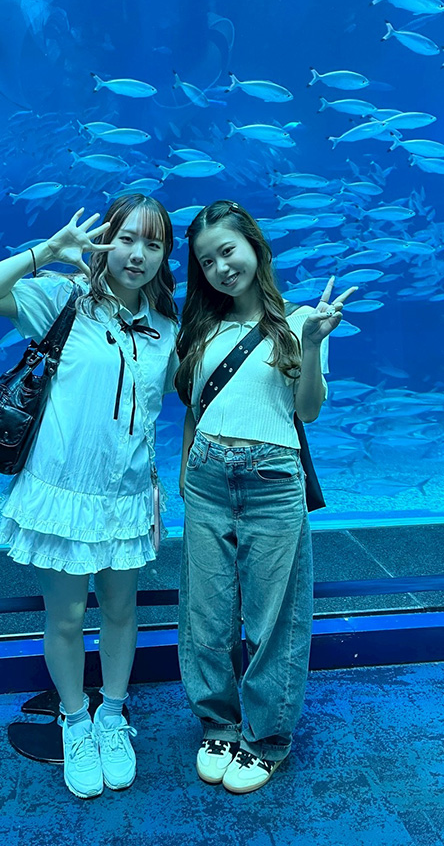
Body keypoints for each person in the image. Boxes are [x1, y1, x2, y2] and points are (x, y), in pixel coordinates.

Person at [0, 194, 179, 800]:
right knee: (67, 615)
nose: (137, 254)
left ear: (164, 256)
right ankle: (74, 719)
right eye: (126, 238)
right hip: (62, 494)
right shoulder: (64, 299)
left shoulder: (166, 329)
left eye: (153, 244)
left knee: (121, 611)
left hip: (127, 498)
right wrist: (48, 251)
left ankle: (112, 714)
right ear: (105, 240)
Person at [175, 200, 356, 795]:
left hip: (273, 480)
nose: (220, 268)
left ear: (254, 245)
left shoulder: (300, 320)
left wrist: (312, 342)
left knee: (273, 617)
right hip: (205, 478)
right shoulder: (200, 327)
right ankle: (218, 723)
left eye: (227, 251)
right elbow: (193, 409)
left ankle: (267, 737)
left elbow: (308, 410)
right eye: (206, 261)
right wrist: (184, 475)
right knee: (206, 612)